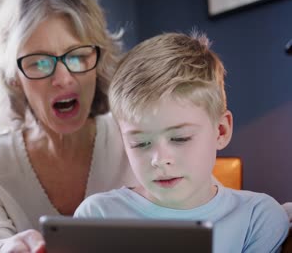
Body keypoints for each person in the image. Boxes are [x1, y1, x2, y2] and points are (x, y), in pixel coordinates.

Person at [0, 0, 137, 252]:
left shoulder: (139, 140)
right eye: (39, 62)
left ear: (97, 62)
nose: (63, 78)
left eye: (76, 56)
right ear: (14, 76)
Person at [74, 32, 290, 252]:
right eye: (140, 143)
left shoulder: (257, 217)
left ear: (221, 131)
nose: (160, 160)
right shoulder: (97, 216)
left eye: (180, 138)